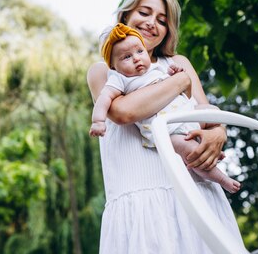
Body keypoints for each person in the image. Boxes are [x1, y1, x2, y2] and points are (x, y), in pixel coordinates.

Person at [87, 0, 244, 254]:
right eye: (144, 12)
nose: (152, 23)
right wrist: (178, 85)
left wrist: (218, 131)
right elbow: (126, 112)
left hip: (194, 194)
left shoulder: (178, 63)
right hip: (143, 200)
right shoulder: (106, 71)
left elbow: (205, 114)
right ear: (126, 15)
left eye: (162, 18)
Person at [90, 22, 240, 193]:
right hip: (167, 129)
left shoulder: (159, 68)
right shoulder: (118, 79)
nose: (136, 58)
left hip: (186, 114)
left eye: (140, 51)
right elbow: (104, 98)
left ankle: (210, 148)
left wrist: (175, 74)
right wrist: (98, 121)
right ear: (113, 66)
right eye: (126, 57)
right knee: (190, 152)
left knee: (212, 111)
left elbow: (188, 95)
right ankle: (222, 179)